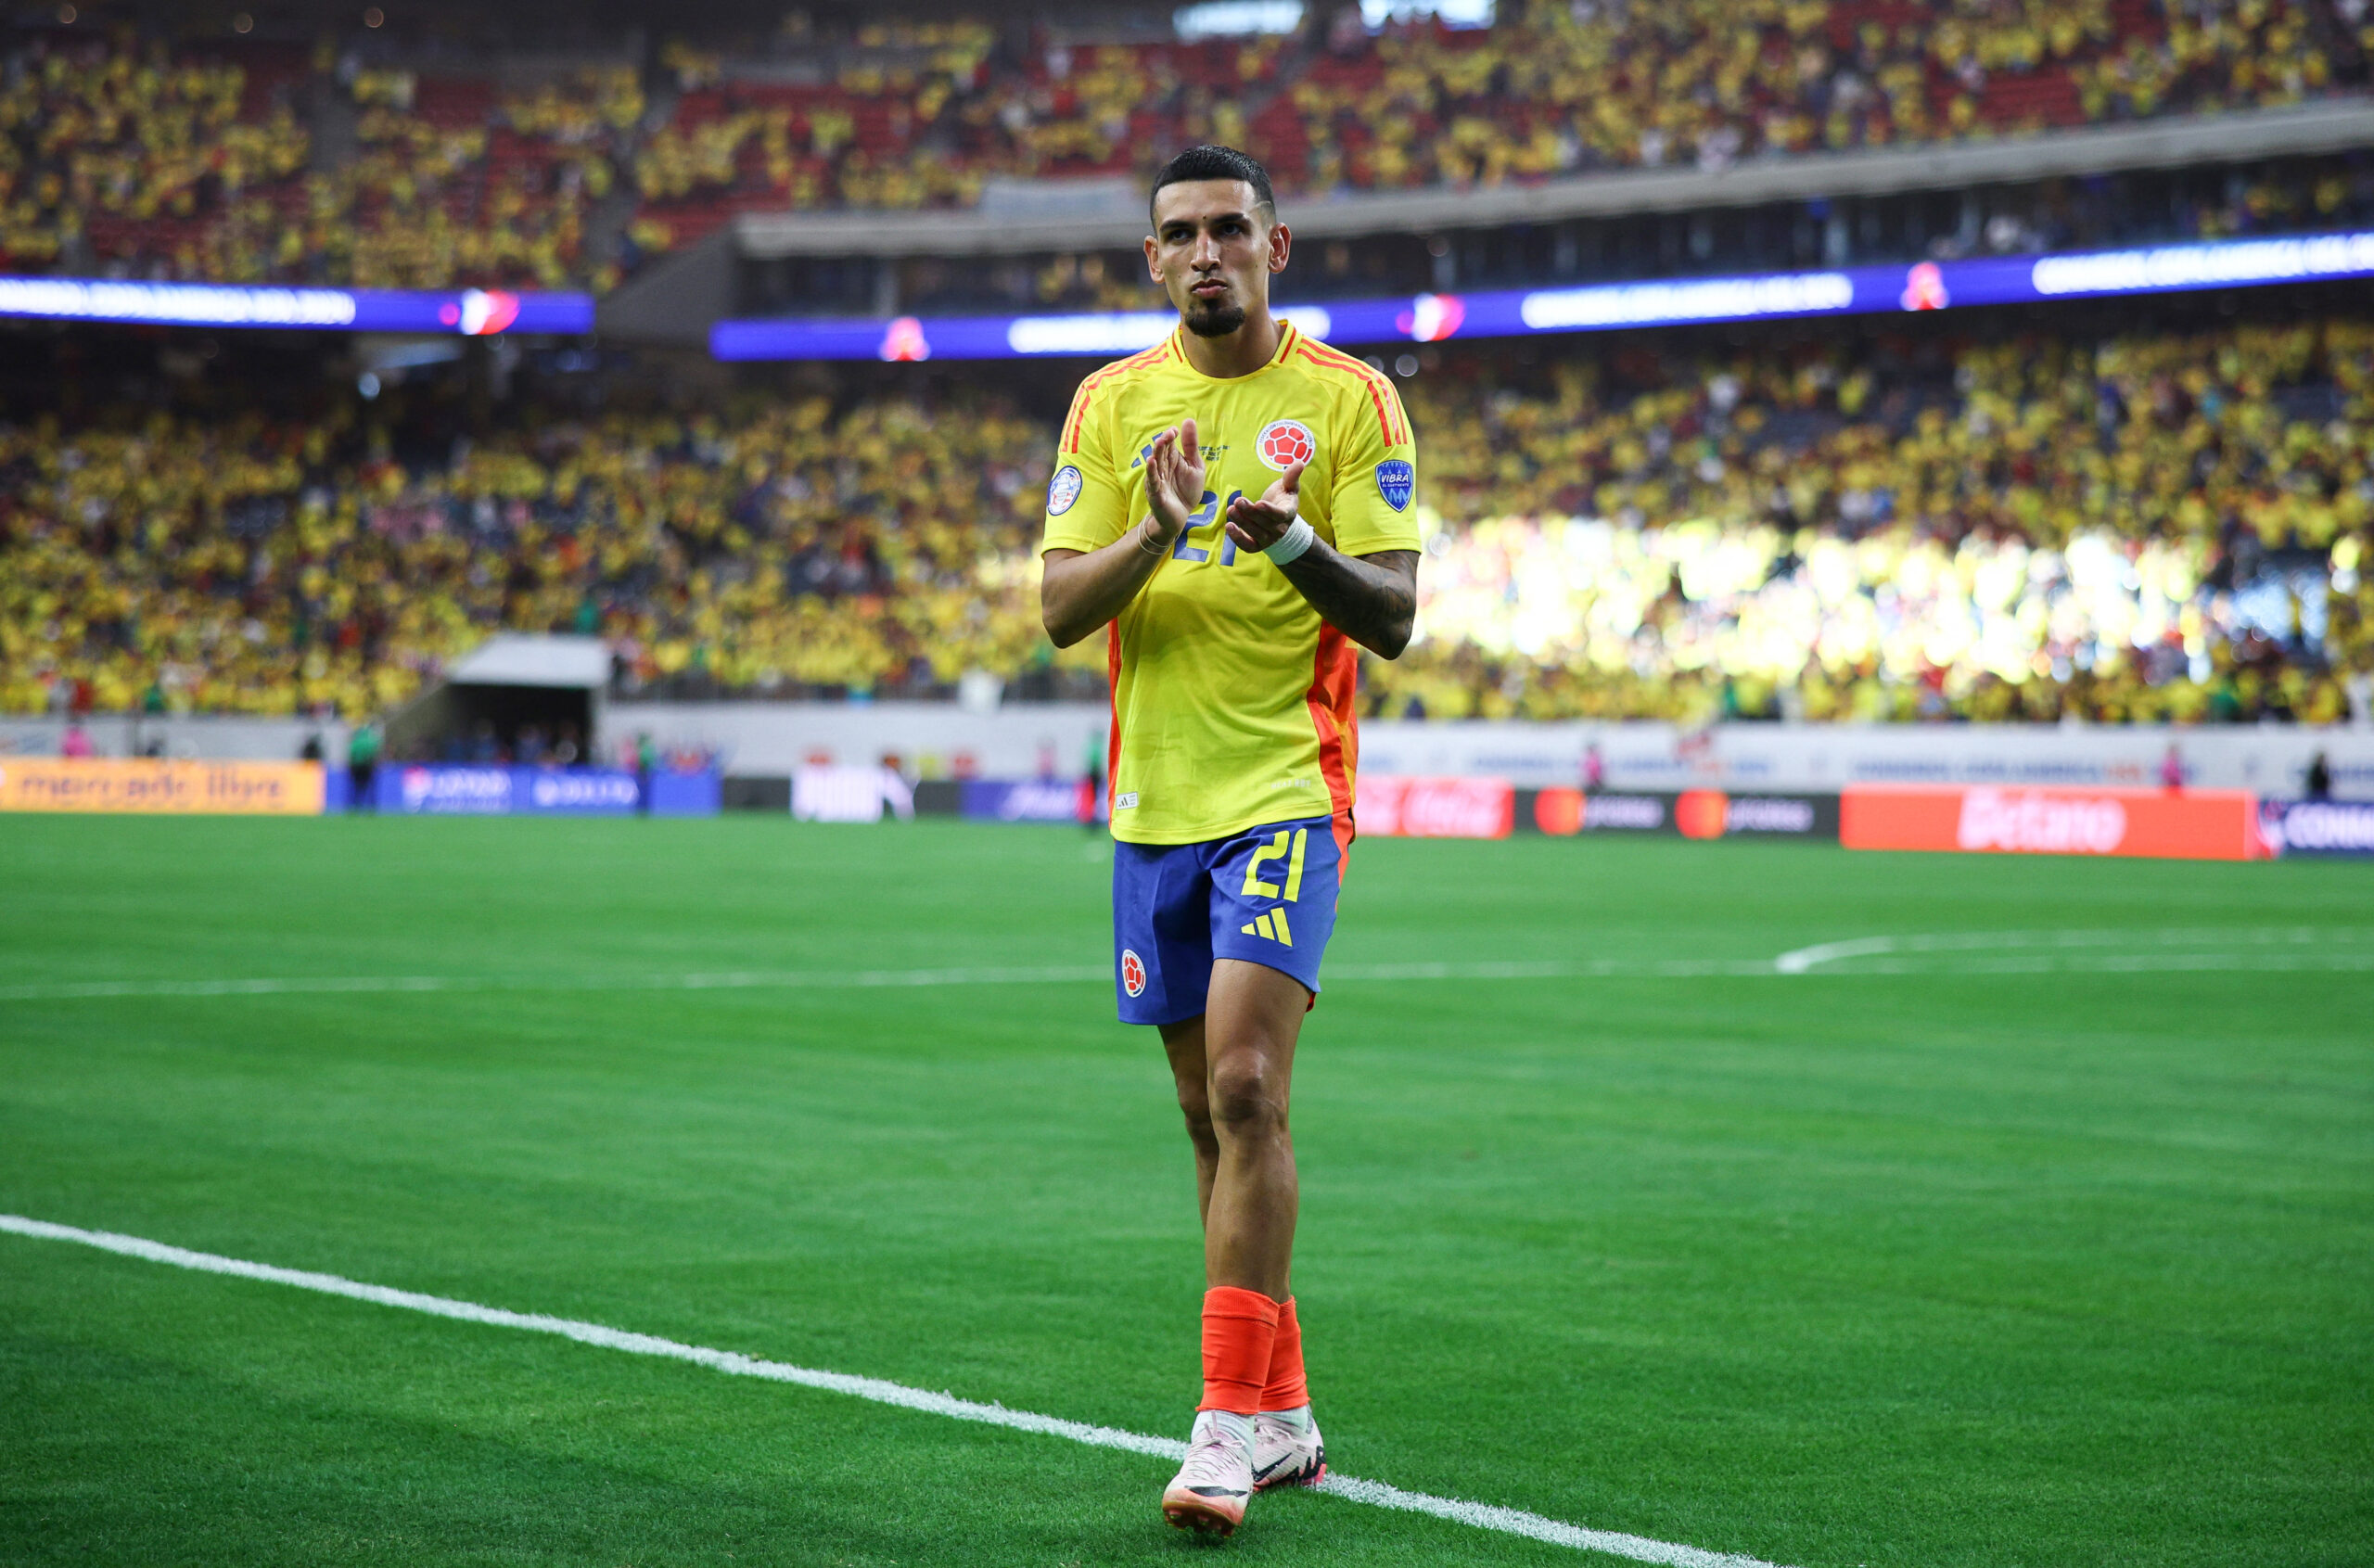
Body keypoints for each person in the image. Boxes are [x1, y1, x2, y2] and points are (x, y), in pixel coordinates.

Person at [1038, 145, 1421, 1539]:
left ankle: (1221, 1429)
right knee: (1208, 1121)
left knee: (1252, 1092)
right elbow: (1062, 610)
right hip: (1155, 813)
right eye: (1180, 234)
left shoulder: (1348, 400)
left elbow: (1391, 615)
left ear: (1278, 245)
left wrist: (1288, 547)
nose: (1206, 253)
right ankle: (1287, 1413)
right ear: (1153, 260)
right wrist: (1155, 528)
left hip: (1283, 793)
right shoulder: (1111, 405)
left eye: (1229, 230)